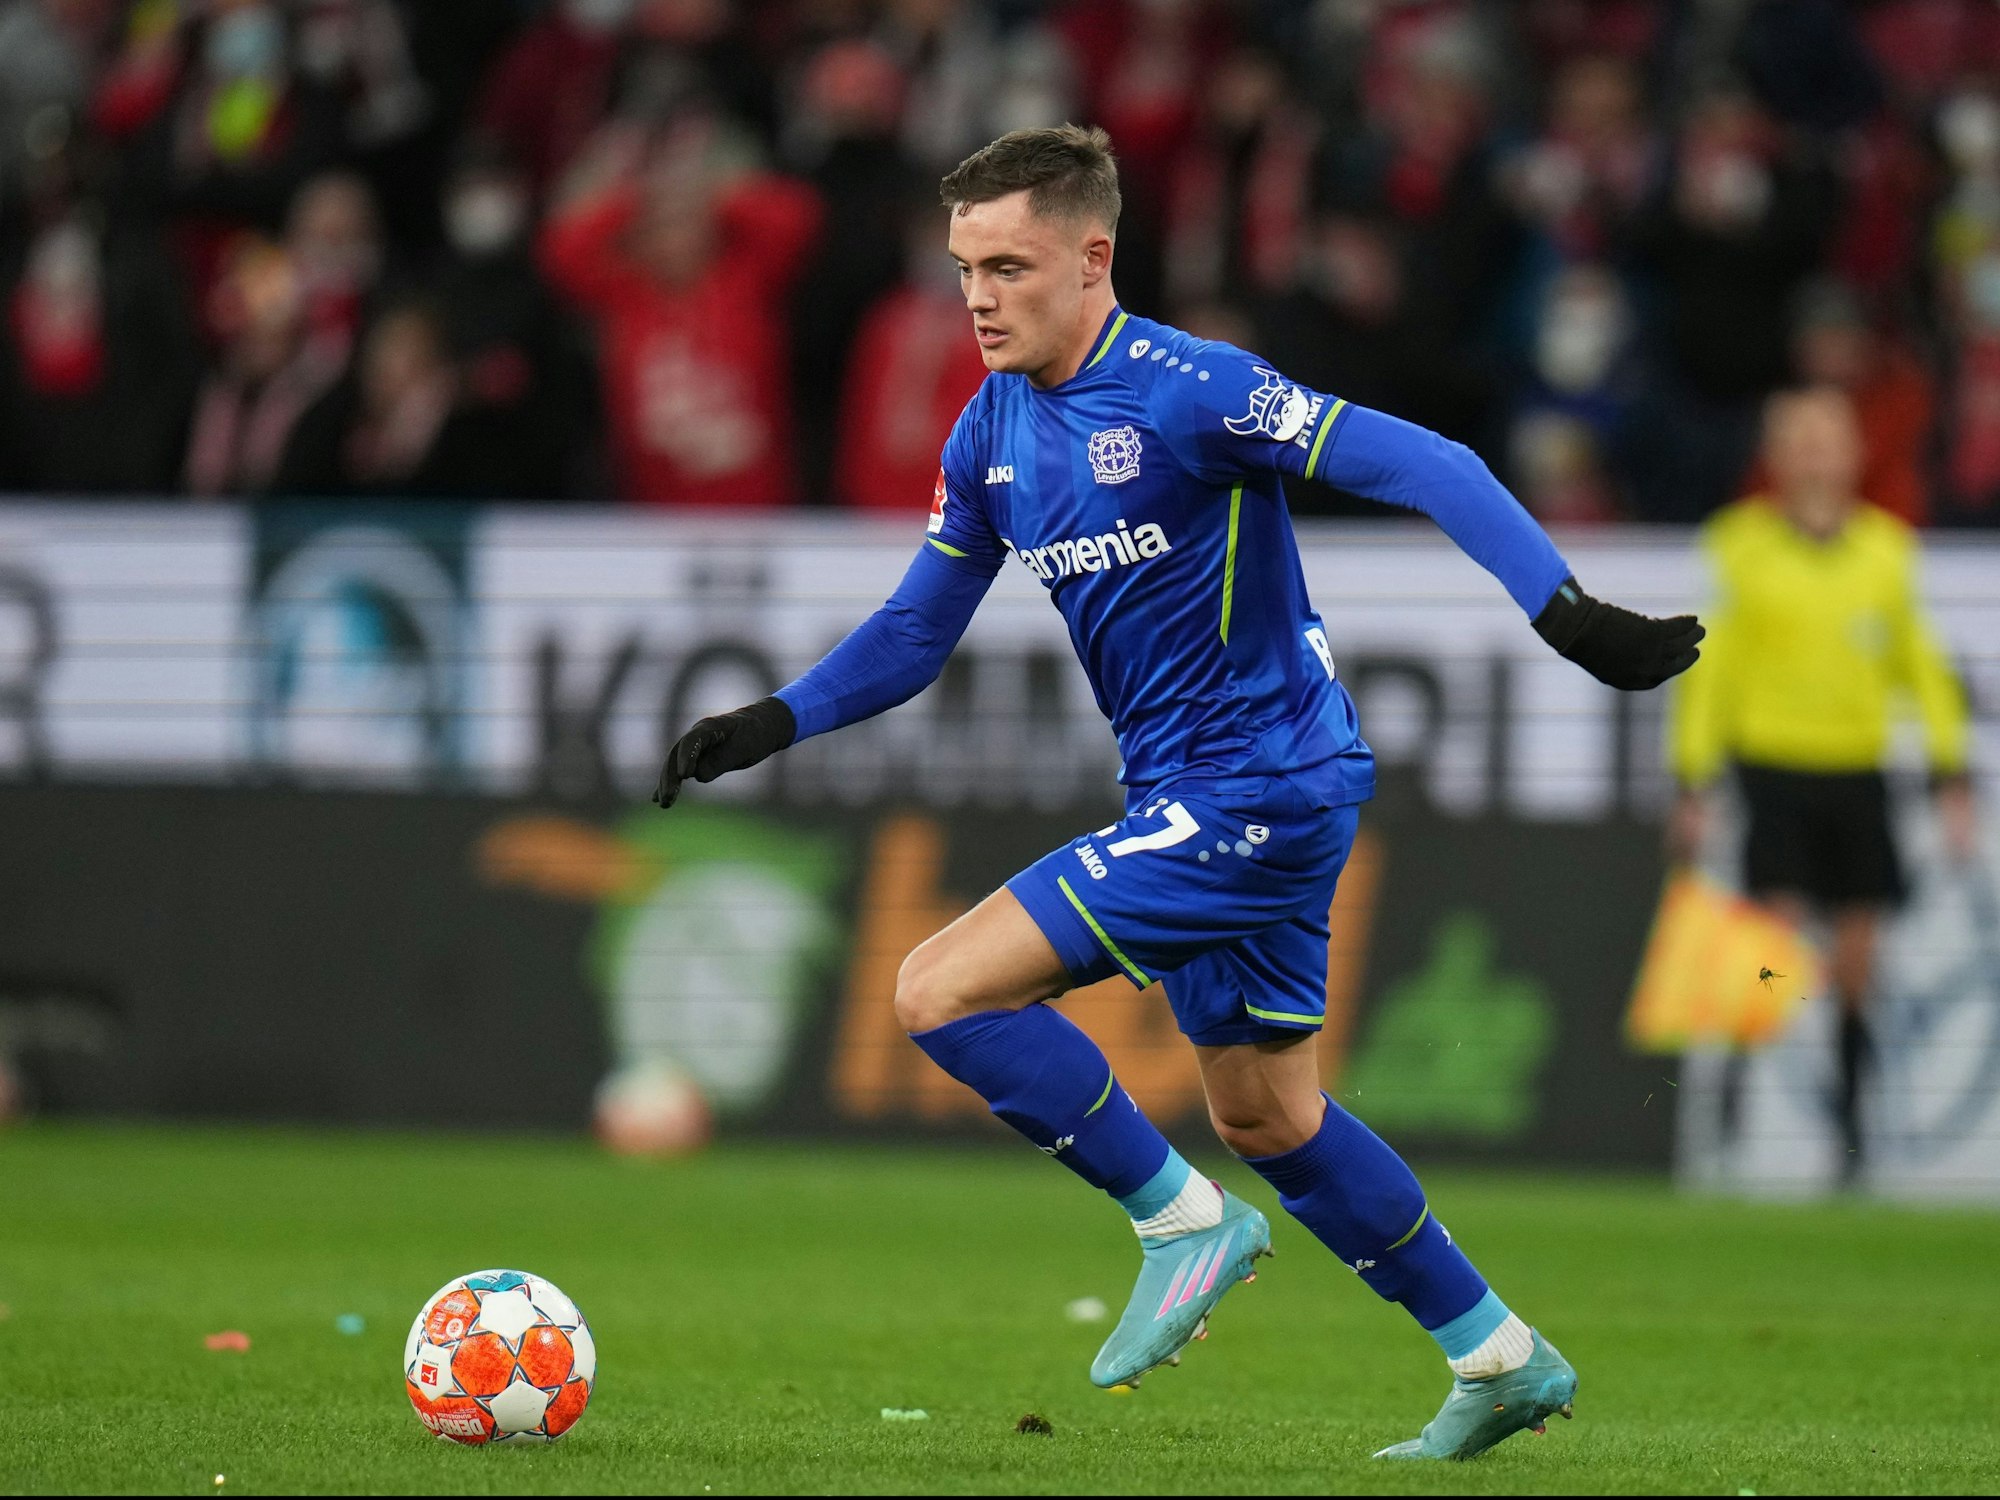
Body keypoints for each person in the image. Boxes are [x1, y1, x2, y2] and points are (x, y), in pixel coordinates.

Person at [654, 126, 1702, 1460]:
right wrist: (768, 722)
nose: (978, 296)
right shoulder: (990, 432)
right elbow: (917, 632)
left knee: (934, 988)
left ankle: (1180, 1221)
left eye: (1009, 266)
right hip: (1202, 788)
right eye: (965, 266)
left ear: (1093, 259)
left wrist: (1570, 614)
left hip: (1262, 784)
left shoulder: (1192, 389)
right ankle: (1495, 1355)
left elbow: (1430, 461)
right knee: (1264, 1111)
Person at [1668, 386, 1978, 1181]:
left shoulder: (1886, 551)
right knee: (1775, 942)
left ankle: (1852, 1129)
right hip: (1772, 767)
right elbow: (1714, 670)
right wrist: (1695, 779)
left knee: (1856, 966)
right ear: (1775, 456)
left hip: (1858, 772)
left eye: (1825, 439)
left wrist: (1951, 772)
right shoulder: (1740, 546)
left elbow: (1922, 669)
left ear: (1852, 453)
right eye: (1797, 439)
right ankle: (1737, 1097)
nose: (1812, 454)